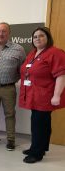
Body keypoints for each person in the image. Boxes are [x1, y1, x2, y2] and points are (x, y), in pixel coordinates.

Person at [19, 27, 65, 163]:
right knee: (38, 123)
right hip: (33, 95)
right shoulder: (33, 53)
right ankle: (38, 147)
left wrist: (57, 95)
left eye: (41, 36)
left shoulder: (55, 53)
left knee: (39, 124)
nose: (37, 38)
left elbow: (61, 75)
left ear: (48, 37)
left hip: (44, 96)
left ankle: (36, 153)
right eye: (35, 37)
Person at [0, 22, 26, 151]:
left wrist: (14, 79)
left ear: (9, 33)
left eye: (4, 31)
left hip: (8, 88)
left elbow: (23, 69)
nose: (1, 34)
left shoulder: (18, 49)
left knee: (9, 114)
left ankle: (11, 140)